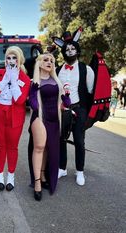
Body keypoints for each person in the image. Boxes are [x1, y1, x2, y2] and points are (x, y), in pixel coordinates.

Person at [53, 27, 95, 186]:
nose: (70, 50)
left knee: (79, 141)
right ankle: (62, 168)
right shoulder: (57, 70)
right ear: (63, 51)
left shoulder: (87, 69)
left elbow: (90, 91)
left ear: (77, 51)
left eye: (72, 48)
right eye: (67, 49)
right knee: (61, 139)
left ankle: (79, 171)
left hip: (79, 108)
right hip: (62, 109)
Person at [28, 53, 71, 201]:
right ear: (39, 63)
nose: (49, 63)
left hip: (54, 119)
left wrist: (66, 99)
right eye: (46, 60)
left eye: (52, 61)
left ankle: (43, 173)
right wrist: (33, 92)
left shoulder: (57, 81)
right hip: (40, 117)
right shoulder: (35, 81)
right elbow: (33, 105)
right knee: (39, 147)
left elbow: (66, 103)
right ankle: (37, 183)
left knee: (47, 148)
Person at [0, 46, 31, 191]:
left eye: (14, 58)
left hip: (15, 115)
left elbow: (20, 100)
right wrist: (6, 78)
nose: (11, 60)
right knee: (0, 146)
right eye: (8, 57)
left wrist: (13, 81)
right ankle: (0, 176)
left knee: (12, 147)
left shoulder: (25, 78)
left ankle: (11, 177)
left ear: (20, 60)